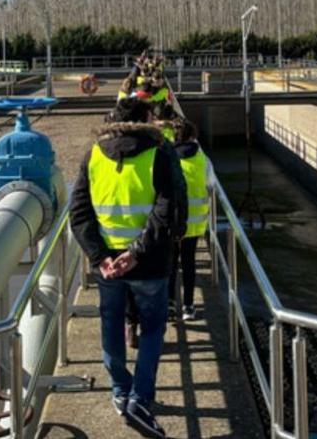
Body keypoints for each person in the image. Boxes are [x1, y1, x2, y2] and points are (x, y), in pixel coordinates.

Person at [70, 96, 186, 438]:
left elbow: (78, 212)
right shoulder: (159, 152)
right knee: (152, 329)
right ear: (147, 118)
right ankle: (140, 399)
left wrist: (99, 255)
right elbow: (168, 210)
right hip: (147, 263)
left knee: (110, 325)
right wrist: (135, 253)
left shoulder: (93, 155)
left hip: (108, 267)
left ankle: (121, 393)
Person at [169, 121, 209, 320]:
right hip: (194, 221)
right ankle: (188, 306)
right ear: (193, 137)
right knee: (188, 263)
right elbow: (210, 183)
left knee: (170, 262)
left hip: (173, 221)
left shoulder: (167, 158)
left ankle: (169, 303)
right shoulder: (202, 158)